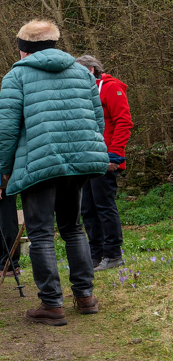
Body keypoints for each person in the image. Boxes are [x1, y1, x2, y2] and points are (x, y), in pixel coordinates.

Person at [0, 19, 109, 325]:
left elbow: (6, 128)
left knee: (41, 233)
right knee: (73, 227)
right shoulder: (82, 73)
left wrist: (5, 169)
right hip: (79, 162)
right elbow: (97, 119)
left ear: (24, 49)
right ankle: (85, 296)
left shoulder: (17, 76)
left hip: (39, 162)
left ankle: (51, 303)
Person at [74, 55, 133, 272]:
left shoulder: (111, 88)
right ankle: (96, 254)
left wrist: (114, 154)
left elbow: (123, 121)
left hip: (105, 157)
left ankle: (113, 253)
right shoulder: (82, 93)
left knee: (104, 206)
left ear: (91, 70)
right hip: (86, 158)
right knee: (87, 208)